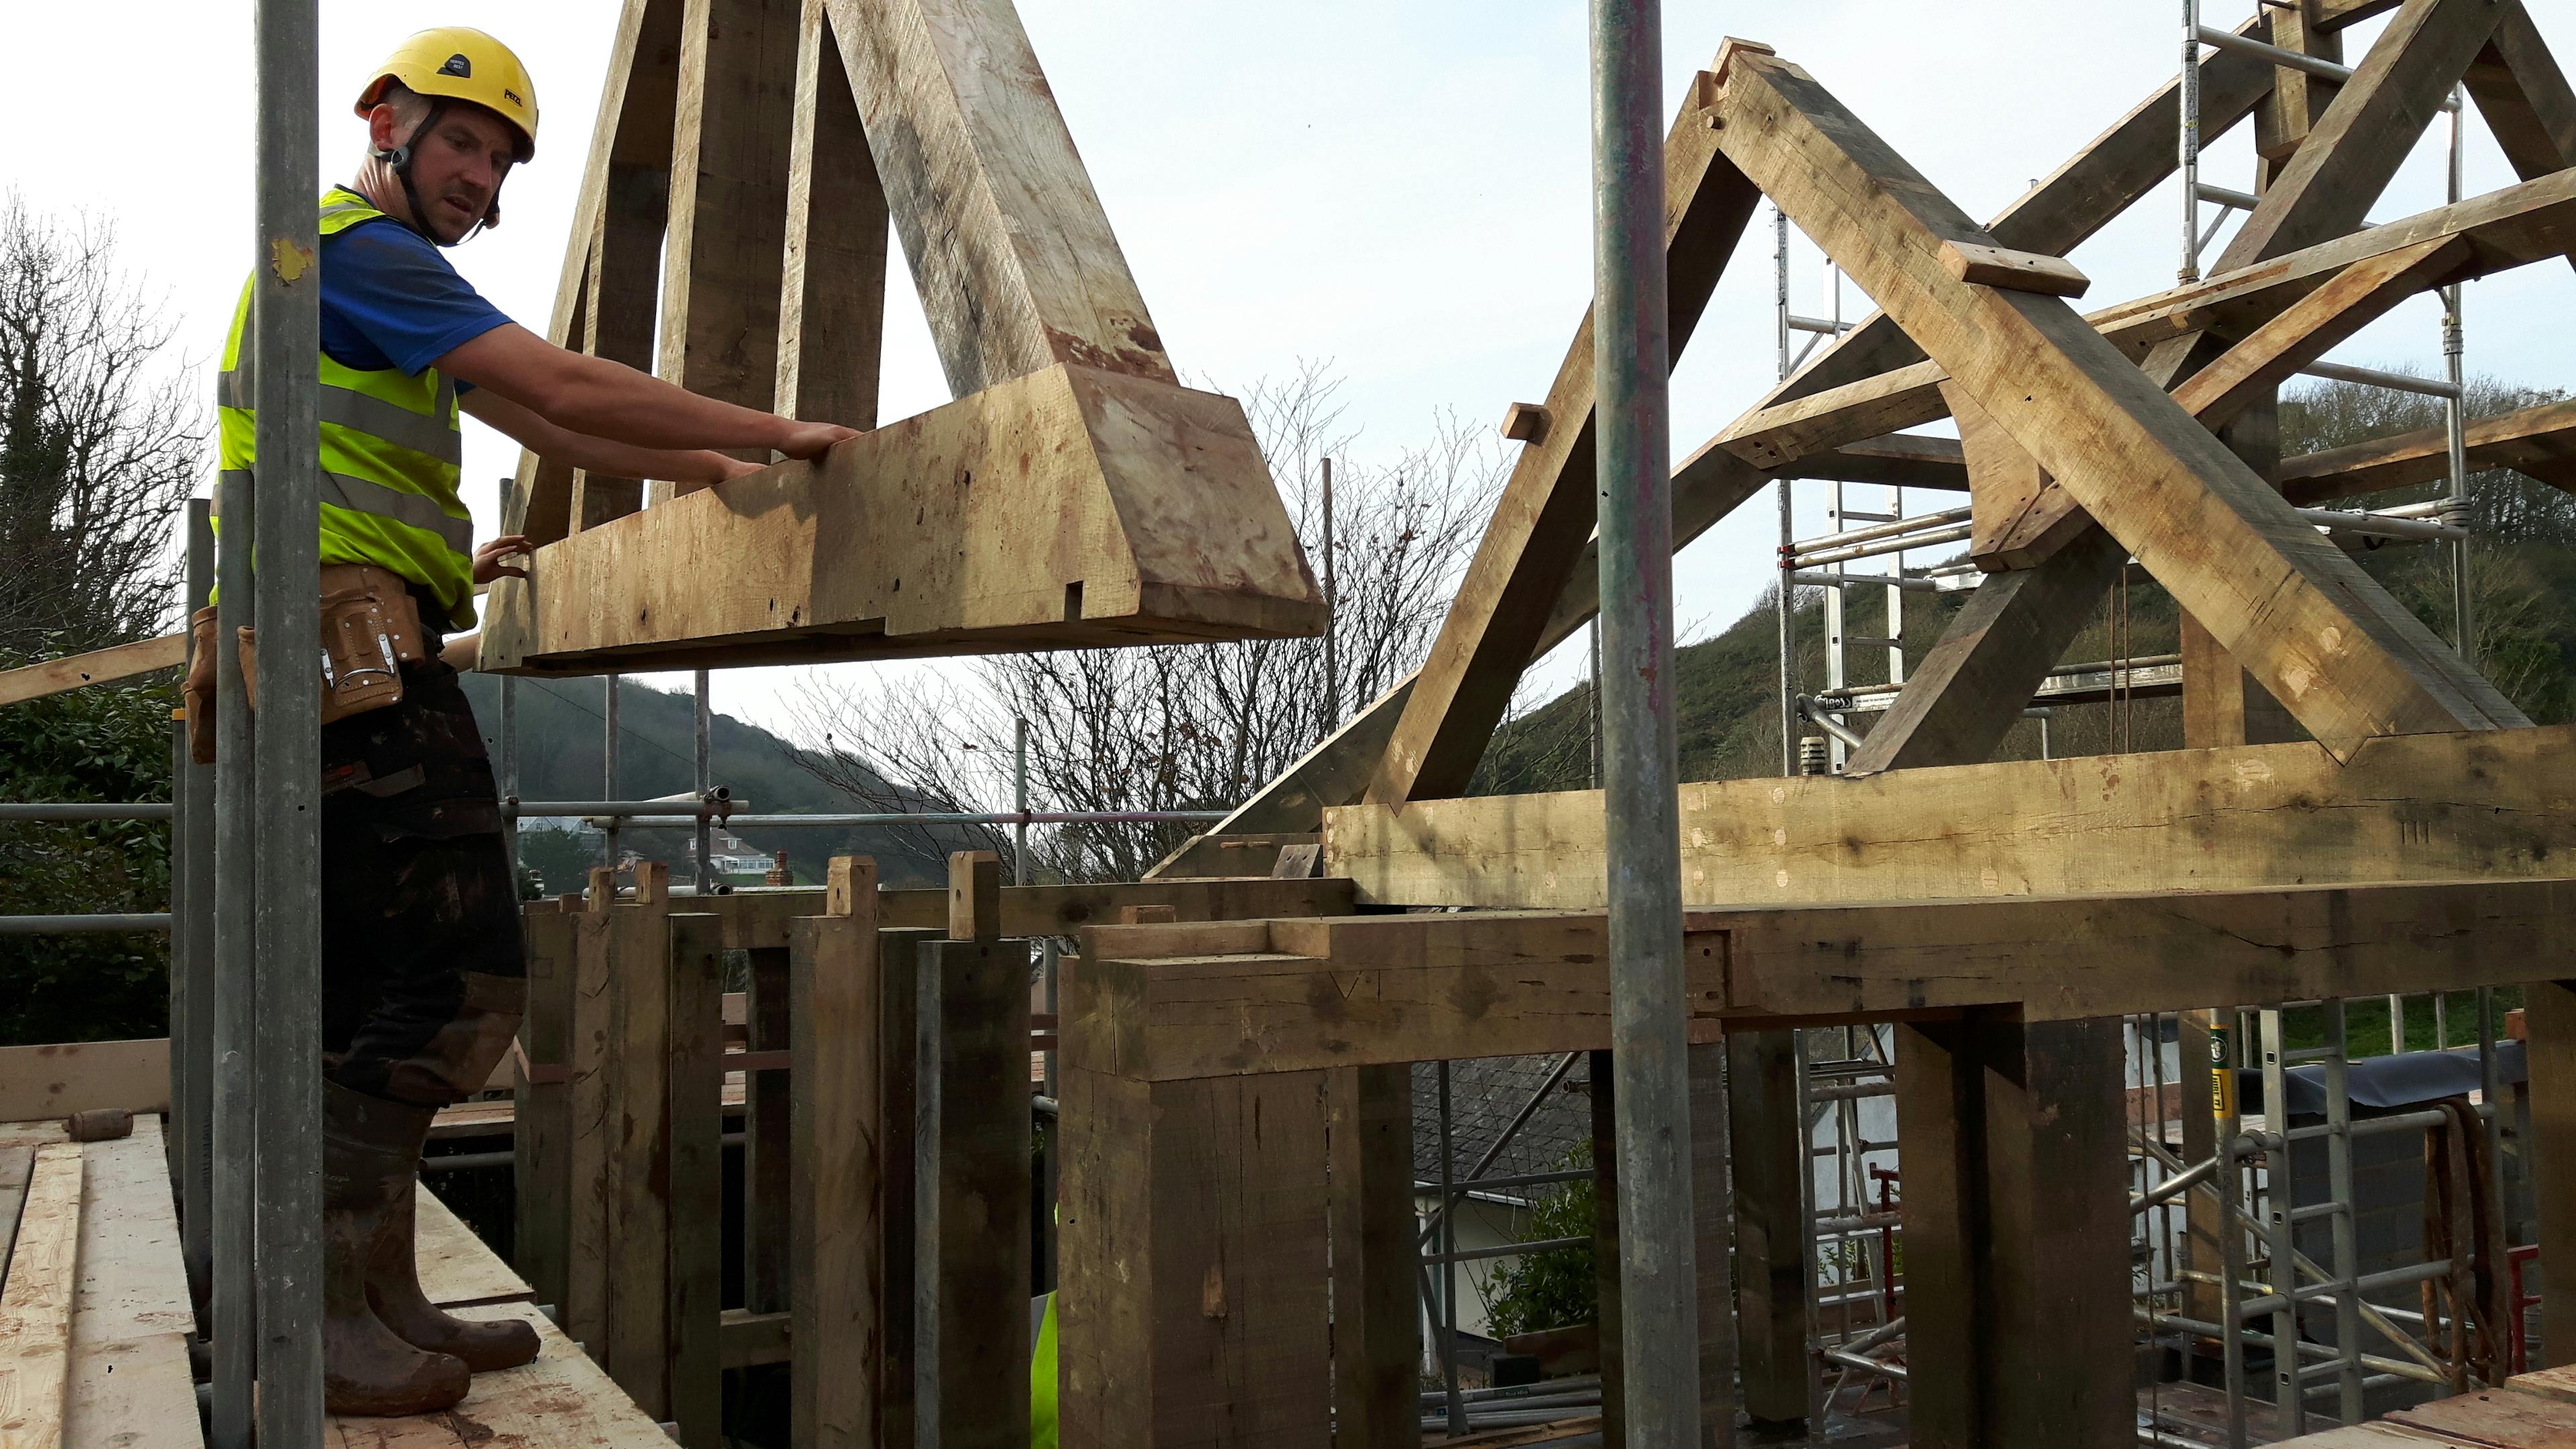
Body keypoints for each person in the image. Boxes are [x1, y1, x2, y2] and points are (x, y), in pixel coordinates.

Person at [210, 28, 859, 1417]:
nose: (480, 178)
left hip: (334, 641)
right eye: (462, 143)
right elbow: (563, 386)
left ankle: (371, 1296)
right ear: (387, 123)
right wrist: (789, 430)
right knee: (461, 979)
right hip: (343, 643)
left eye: (500, 161)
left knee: (366, 990)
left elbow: (559, 435)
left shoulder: (367, 278)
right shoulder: (359, 252)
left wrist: (709, 465)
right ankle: (319, 1314)